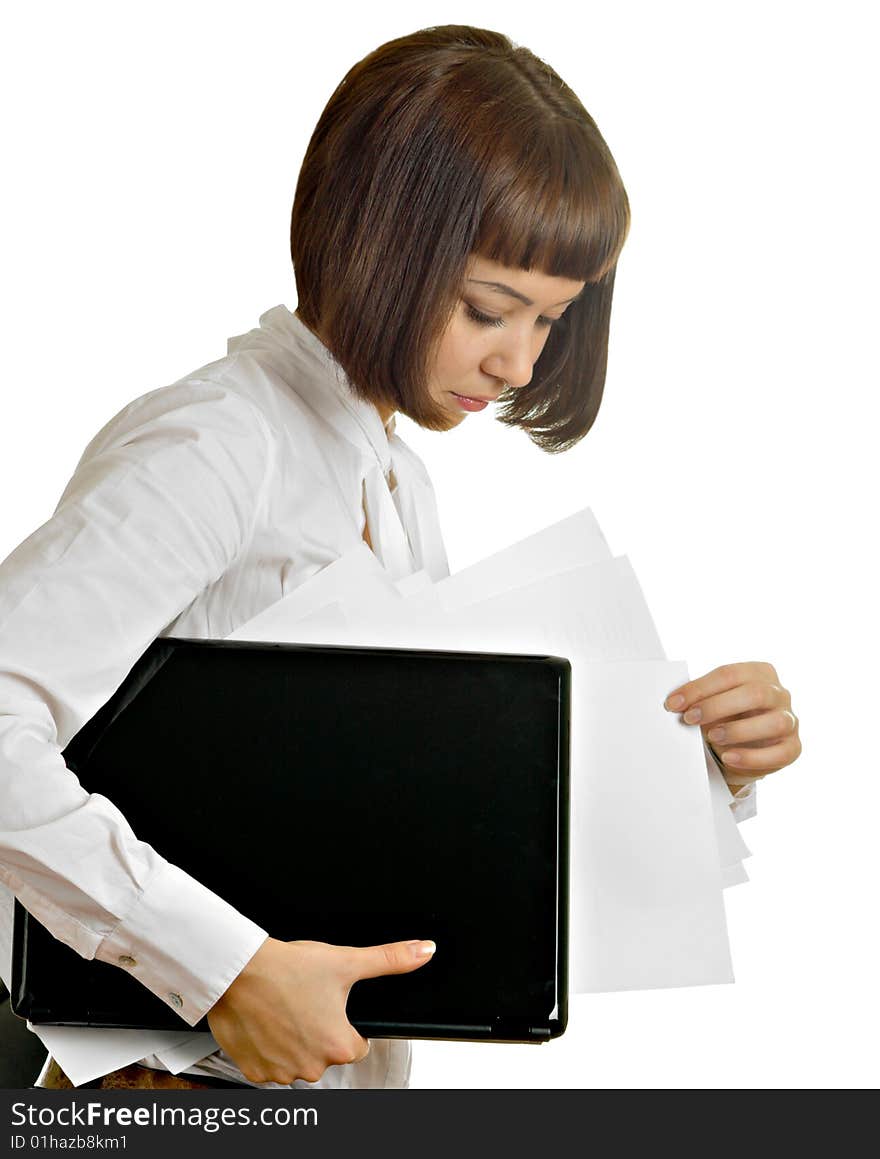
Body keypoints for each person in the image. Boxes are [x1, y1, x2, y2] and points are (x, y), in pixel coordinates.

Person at [0, 24, 801, 1091]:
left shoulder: (391, 474)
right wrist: (224, 971)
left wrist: (696, 774)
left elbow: (407, 812)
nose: (517, 362)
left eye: (550, 321)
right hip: (171, 1092)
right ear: (381, 244)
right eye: (488, 309)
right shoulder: (219, 448)